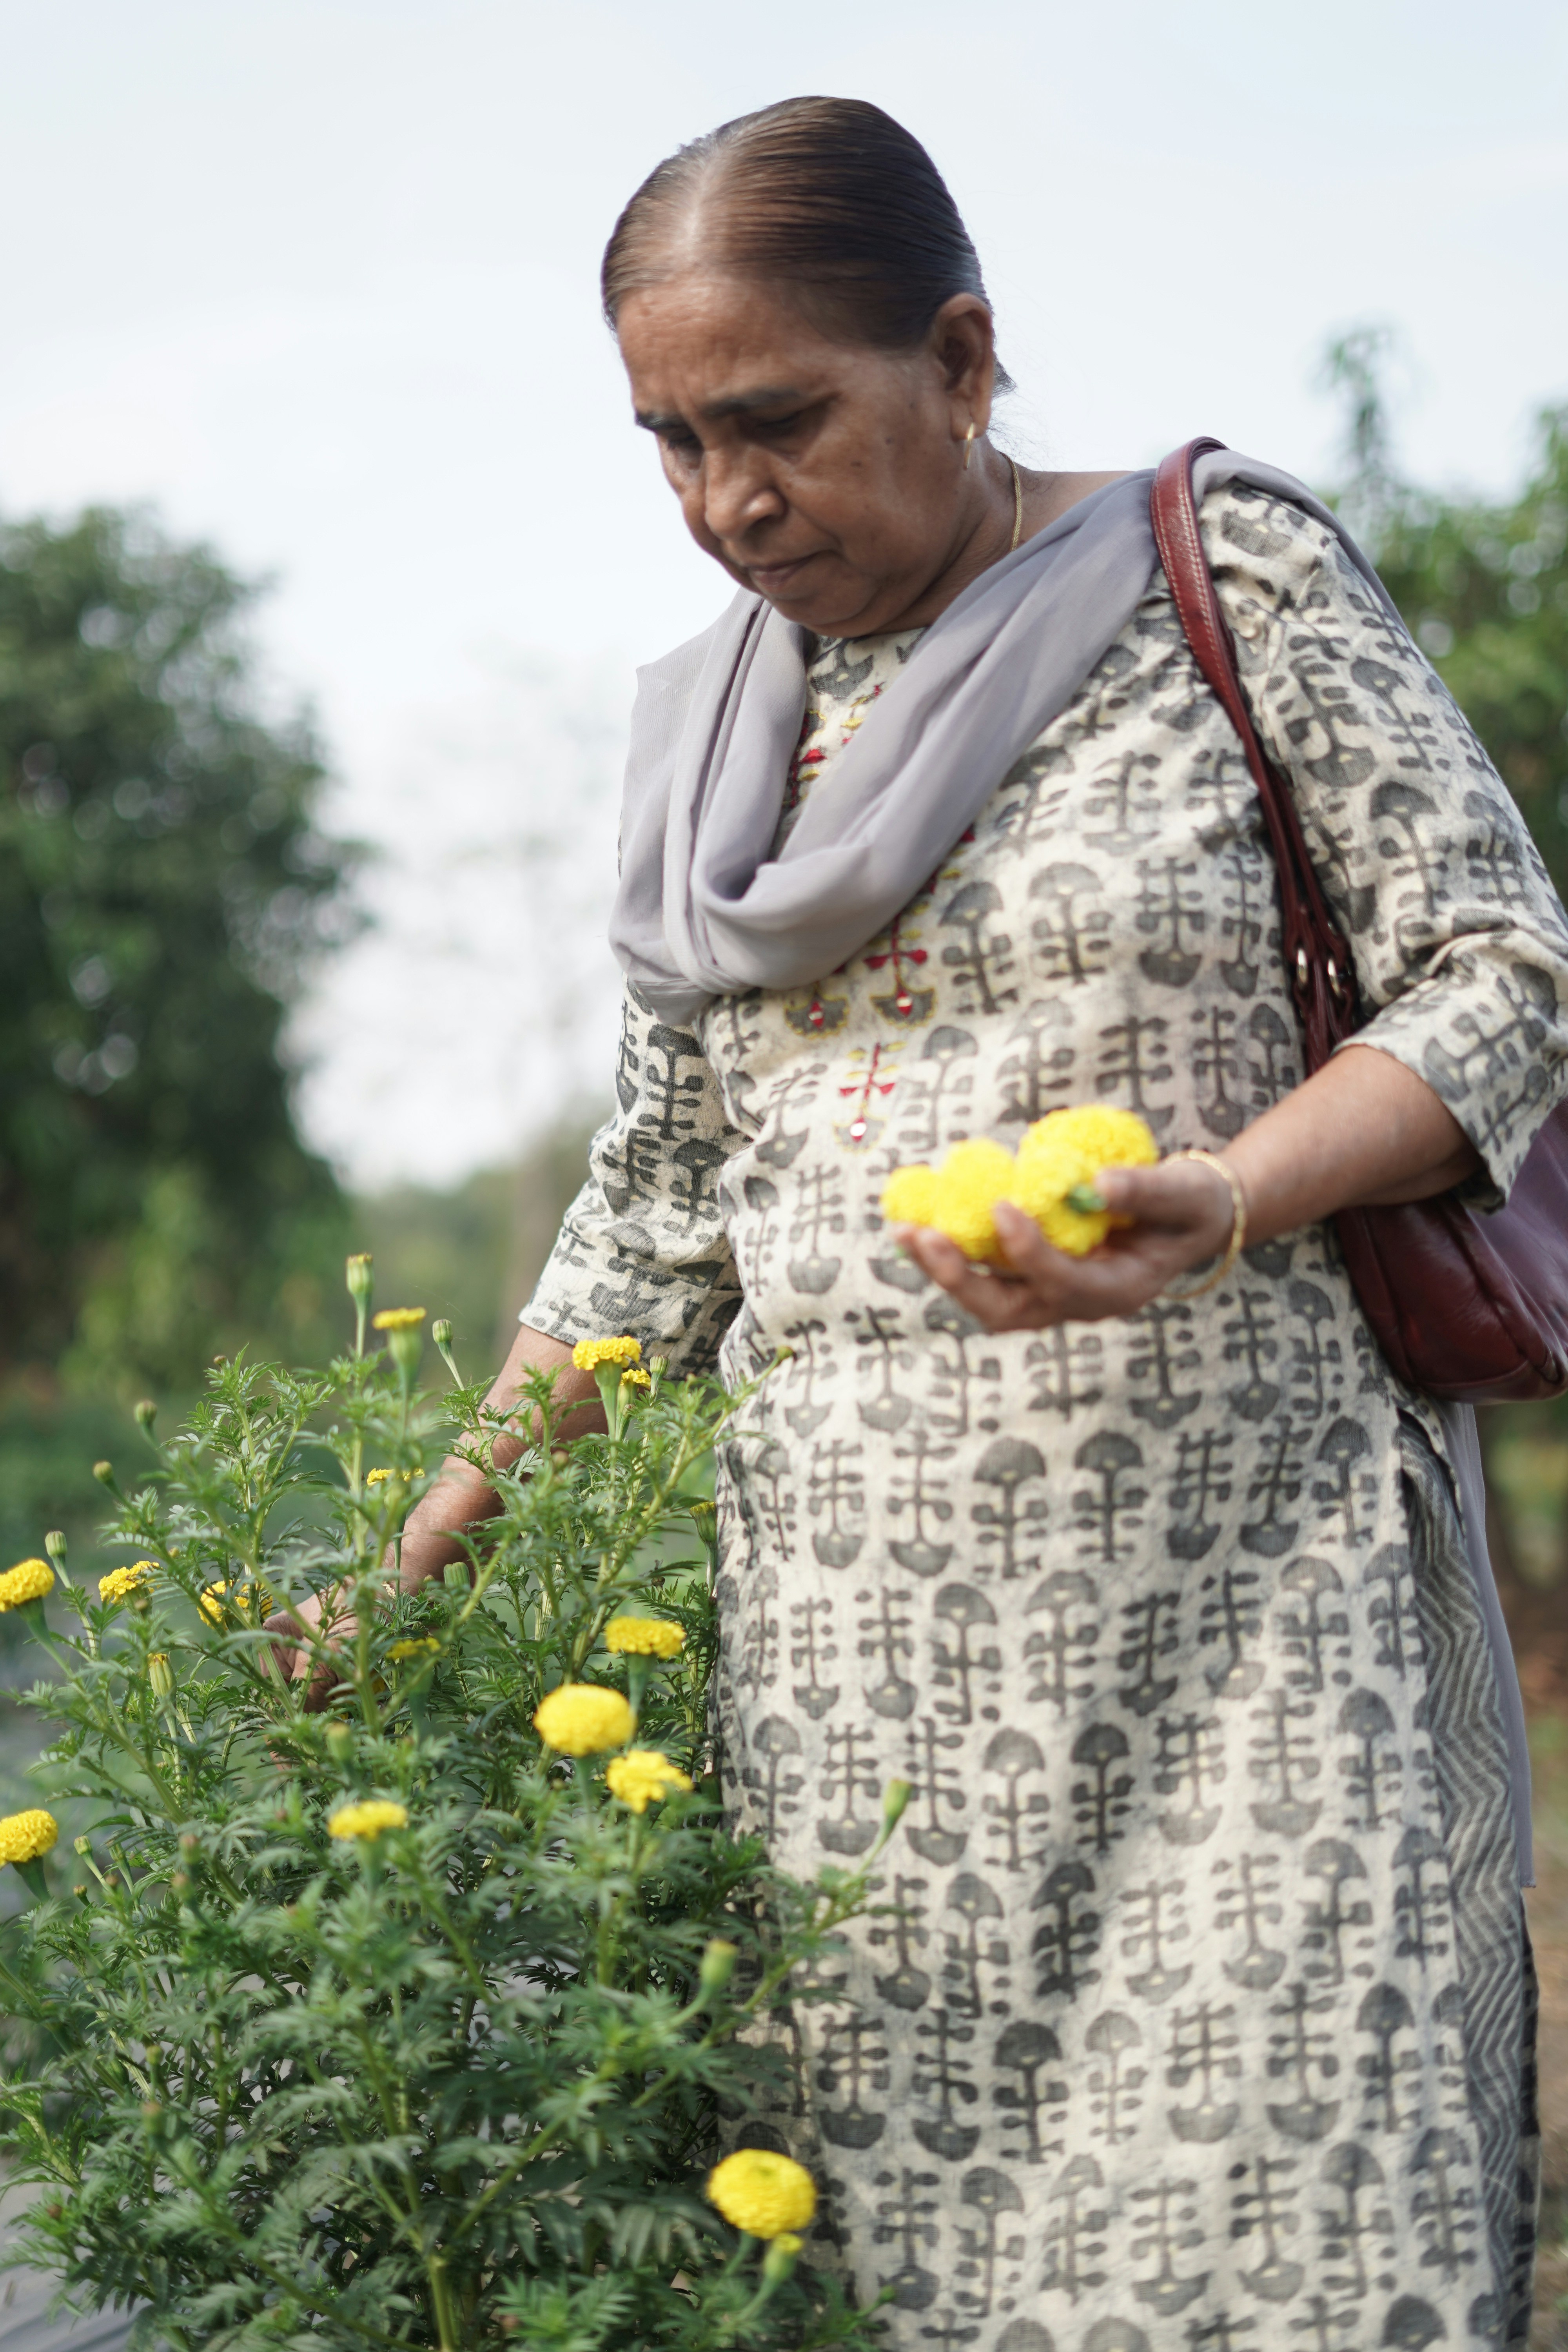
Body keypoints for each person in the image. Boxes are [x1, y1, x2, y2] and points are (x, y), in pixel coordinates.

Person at [344, 97, 1566, 2350]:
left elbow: (1501, 976)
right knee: (903, 2290)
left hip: (1241, 1653)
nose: (729, 502)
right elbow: (667, 1196)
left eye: (780, 421)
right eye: (673, 443)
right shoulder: (718, 736)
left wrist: (1219, 1198)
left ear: (967, 354)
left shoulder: (1225, 581)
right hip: (854, 1717)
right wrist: (441, 1522)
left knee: (1294, 2254)